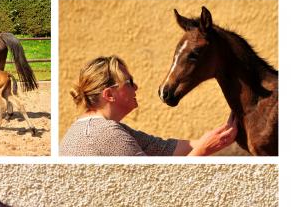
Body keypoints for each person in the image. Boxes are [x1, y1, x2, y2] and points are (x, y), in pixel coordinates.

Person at [60, 55, 237, 156]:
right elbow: (156, 184)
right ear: (109, 95)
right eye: (129, 82)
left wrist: (221, 135)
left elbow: (165, 149)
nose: (136, 87)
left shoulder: (102, 127)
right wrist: (203, 150)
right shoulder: (106, 134)